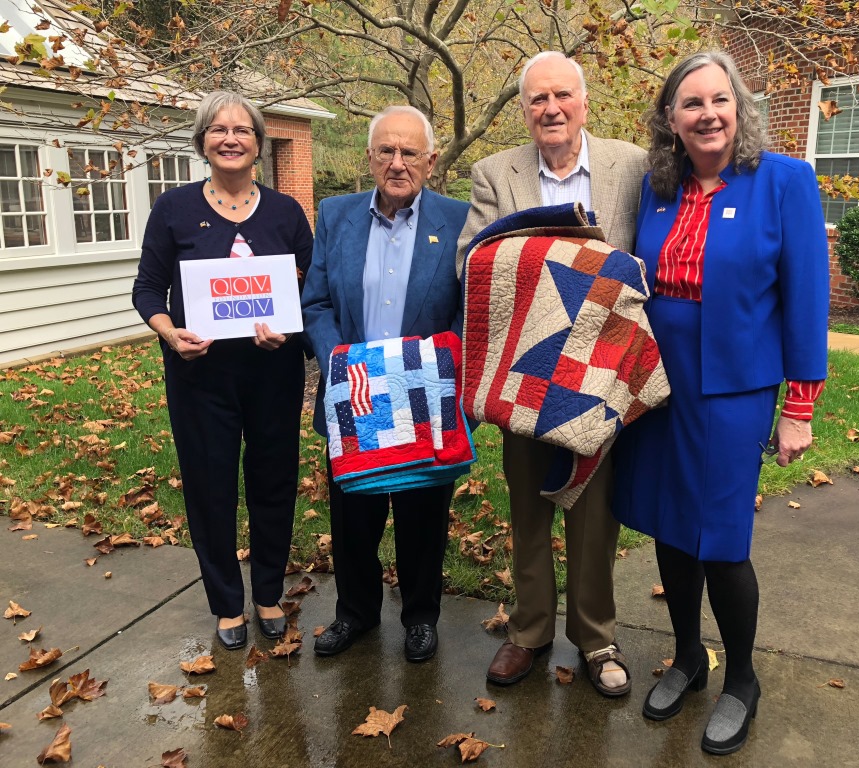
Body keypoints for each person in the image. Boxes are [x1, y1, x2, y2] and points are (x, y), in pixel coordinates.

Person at [613, 51, 829, 753]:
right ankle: (687, 659)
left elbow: (806, 299)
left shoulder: (784, 181)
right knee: (670, 527)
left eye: (719, 99)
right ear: (671, 120)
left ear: (739, 106)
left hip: (734, 388)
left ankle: (741, 679)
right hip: (658, 382)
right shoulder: (657, 188)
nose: (708, 114)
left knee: (723, 540)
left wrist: (799, 406)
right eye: (692, 104)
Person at [457, 51, 646, 697]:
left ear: (584, 103)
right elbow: (471, 265)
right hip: (527, 373)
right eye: (538, 98)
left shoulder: (631, 166)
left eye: (562, 95)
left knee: (594, 514)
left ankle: (597, 637)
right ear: (524, 109)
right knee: (529, 508)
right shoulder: (495, 174)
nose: (551, 108)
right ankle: (529, 631)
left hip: (600, 372)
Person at [132, 91, 313, 650]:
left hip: (272, 373)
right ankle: (226, 603)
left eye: (242, 130)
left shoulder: (286, 213)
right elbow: (147, 289)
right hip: (201, 376)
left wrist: (291, 329)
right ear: (202, 141)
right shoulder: (173, 209)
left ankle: (267, 593)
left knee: (274, 483)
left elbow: (312, 289)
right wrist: (170, 333)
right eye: (218, 129)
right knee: (210, 488)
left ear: (258, 143)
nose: (230, 139)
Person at [302, 106, 469, 663]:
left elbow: (471, 308)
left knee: (423, 515)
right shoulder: (335, 215)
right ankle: (355, 612)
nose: (398, 163)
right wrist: (339, 361)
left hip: (424, 398)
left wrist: (440, 365)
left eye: (410, 152)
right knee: (354, 514)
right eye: (386, 151)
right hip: (355, 394)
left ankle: (420, 617)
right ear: (370, 157)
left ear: (431, 160)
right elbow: (316, 303)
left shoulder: (459, 219)